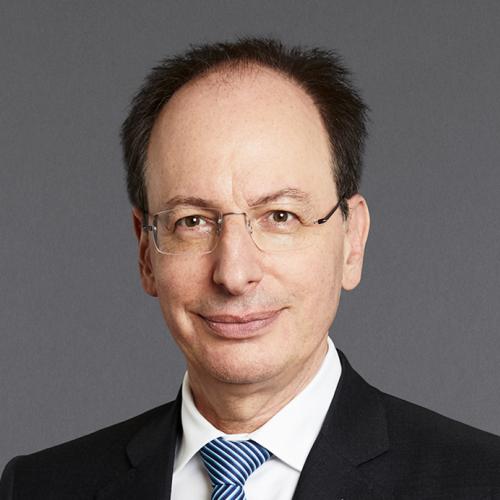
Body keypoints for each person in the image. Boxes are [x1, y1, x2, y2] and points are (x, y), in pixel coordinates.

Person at [1, 37, 499, 500]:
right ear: (145, 251)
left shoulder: (481, 480)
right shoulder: (39, 488)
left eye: (280, 216)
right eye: (192, 221)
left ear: (352, 241)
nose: (234, 274)